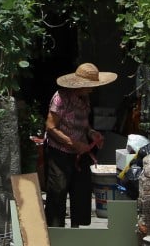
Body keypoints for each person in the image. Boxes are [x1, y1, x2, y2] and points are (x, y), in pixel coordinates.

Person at [43, 62, 116, 227]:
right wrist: (73, 143)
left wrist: (92, 134)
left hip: (80, 153)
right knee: (58, 191)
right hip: (60, 152)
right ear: (80, 85)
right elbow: (50, 127)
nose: (92, 89)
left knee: (81, 191)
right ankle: (56, 233)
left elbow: (85, 125)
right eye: (90, 86)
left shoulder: (85, 98)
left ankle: (78, 231)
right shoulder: (60, 98)